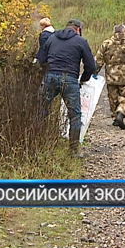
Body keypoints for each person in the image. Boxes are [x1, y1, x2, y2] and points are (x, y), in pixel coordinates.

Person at [38, 19, 96, 158]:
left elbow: (41, 59)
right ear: (78, 29)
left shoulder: (52, 38)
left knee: (40, 109)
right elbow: (91, 66)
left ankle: (37, 142)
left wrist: (48, 71)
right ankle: (74, 150)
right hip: (70, 79)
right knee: (75, 115)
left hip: (50, 77)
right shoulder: (80, 41)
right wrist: (83, 79)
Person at [93, 24, 125, 130]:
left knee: (113, 98)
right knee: (124, 97)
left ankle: (115, 118)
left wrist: (95, 72)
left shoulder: (106, 44)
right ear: (124, 32)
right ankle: (121, 112)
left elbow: (98, 60)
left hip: (111, 76)